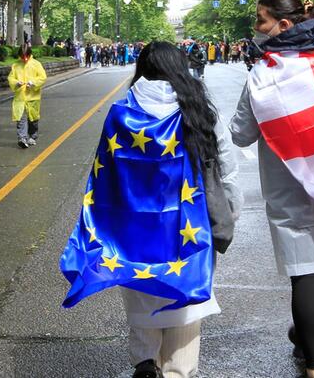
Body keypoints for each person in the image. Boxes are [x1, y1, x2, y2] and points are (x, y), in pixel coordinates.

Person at [60, 41, 241, 378]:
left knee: (141, 290)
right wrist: (230, 213)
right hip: (190, 230)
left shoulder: (121, 113)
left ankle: (145, 361)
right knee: (185, 305)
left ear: (141, 68)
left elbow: (104, 175)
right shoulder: (198, 112)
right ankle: (177, 370)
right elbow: (225, 171)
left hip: (133, 233)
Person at [230, 0, 314, 378]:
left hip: (289, 190)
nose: (256, 27)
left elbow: (240, 134)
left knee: (306, 271)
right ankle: (304, 336)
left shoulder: (264, 74)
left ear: (284, 25)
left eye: (261, 20)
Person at [7, 43, 47, 149]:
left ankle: (32, 136)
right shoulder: (15, 65)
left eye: (26, 56)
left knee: (33, 119)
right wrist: (16, 83)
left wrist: (33, 83)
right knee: (21, 118)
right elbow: (11, 78)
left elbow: (42, 77)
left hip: (33, 97)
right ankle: (22, 138)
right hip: (20, 98)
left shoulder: (36, 64)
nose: (24, 59)